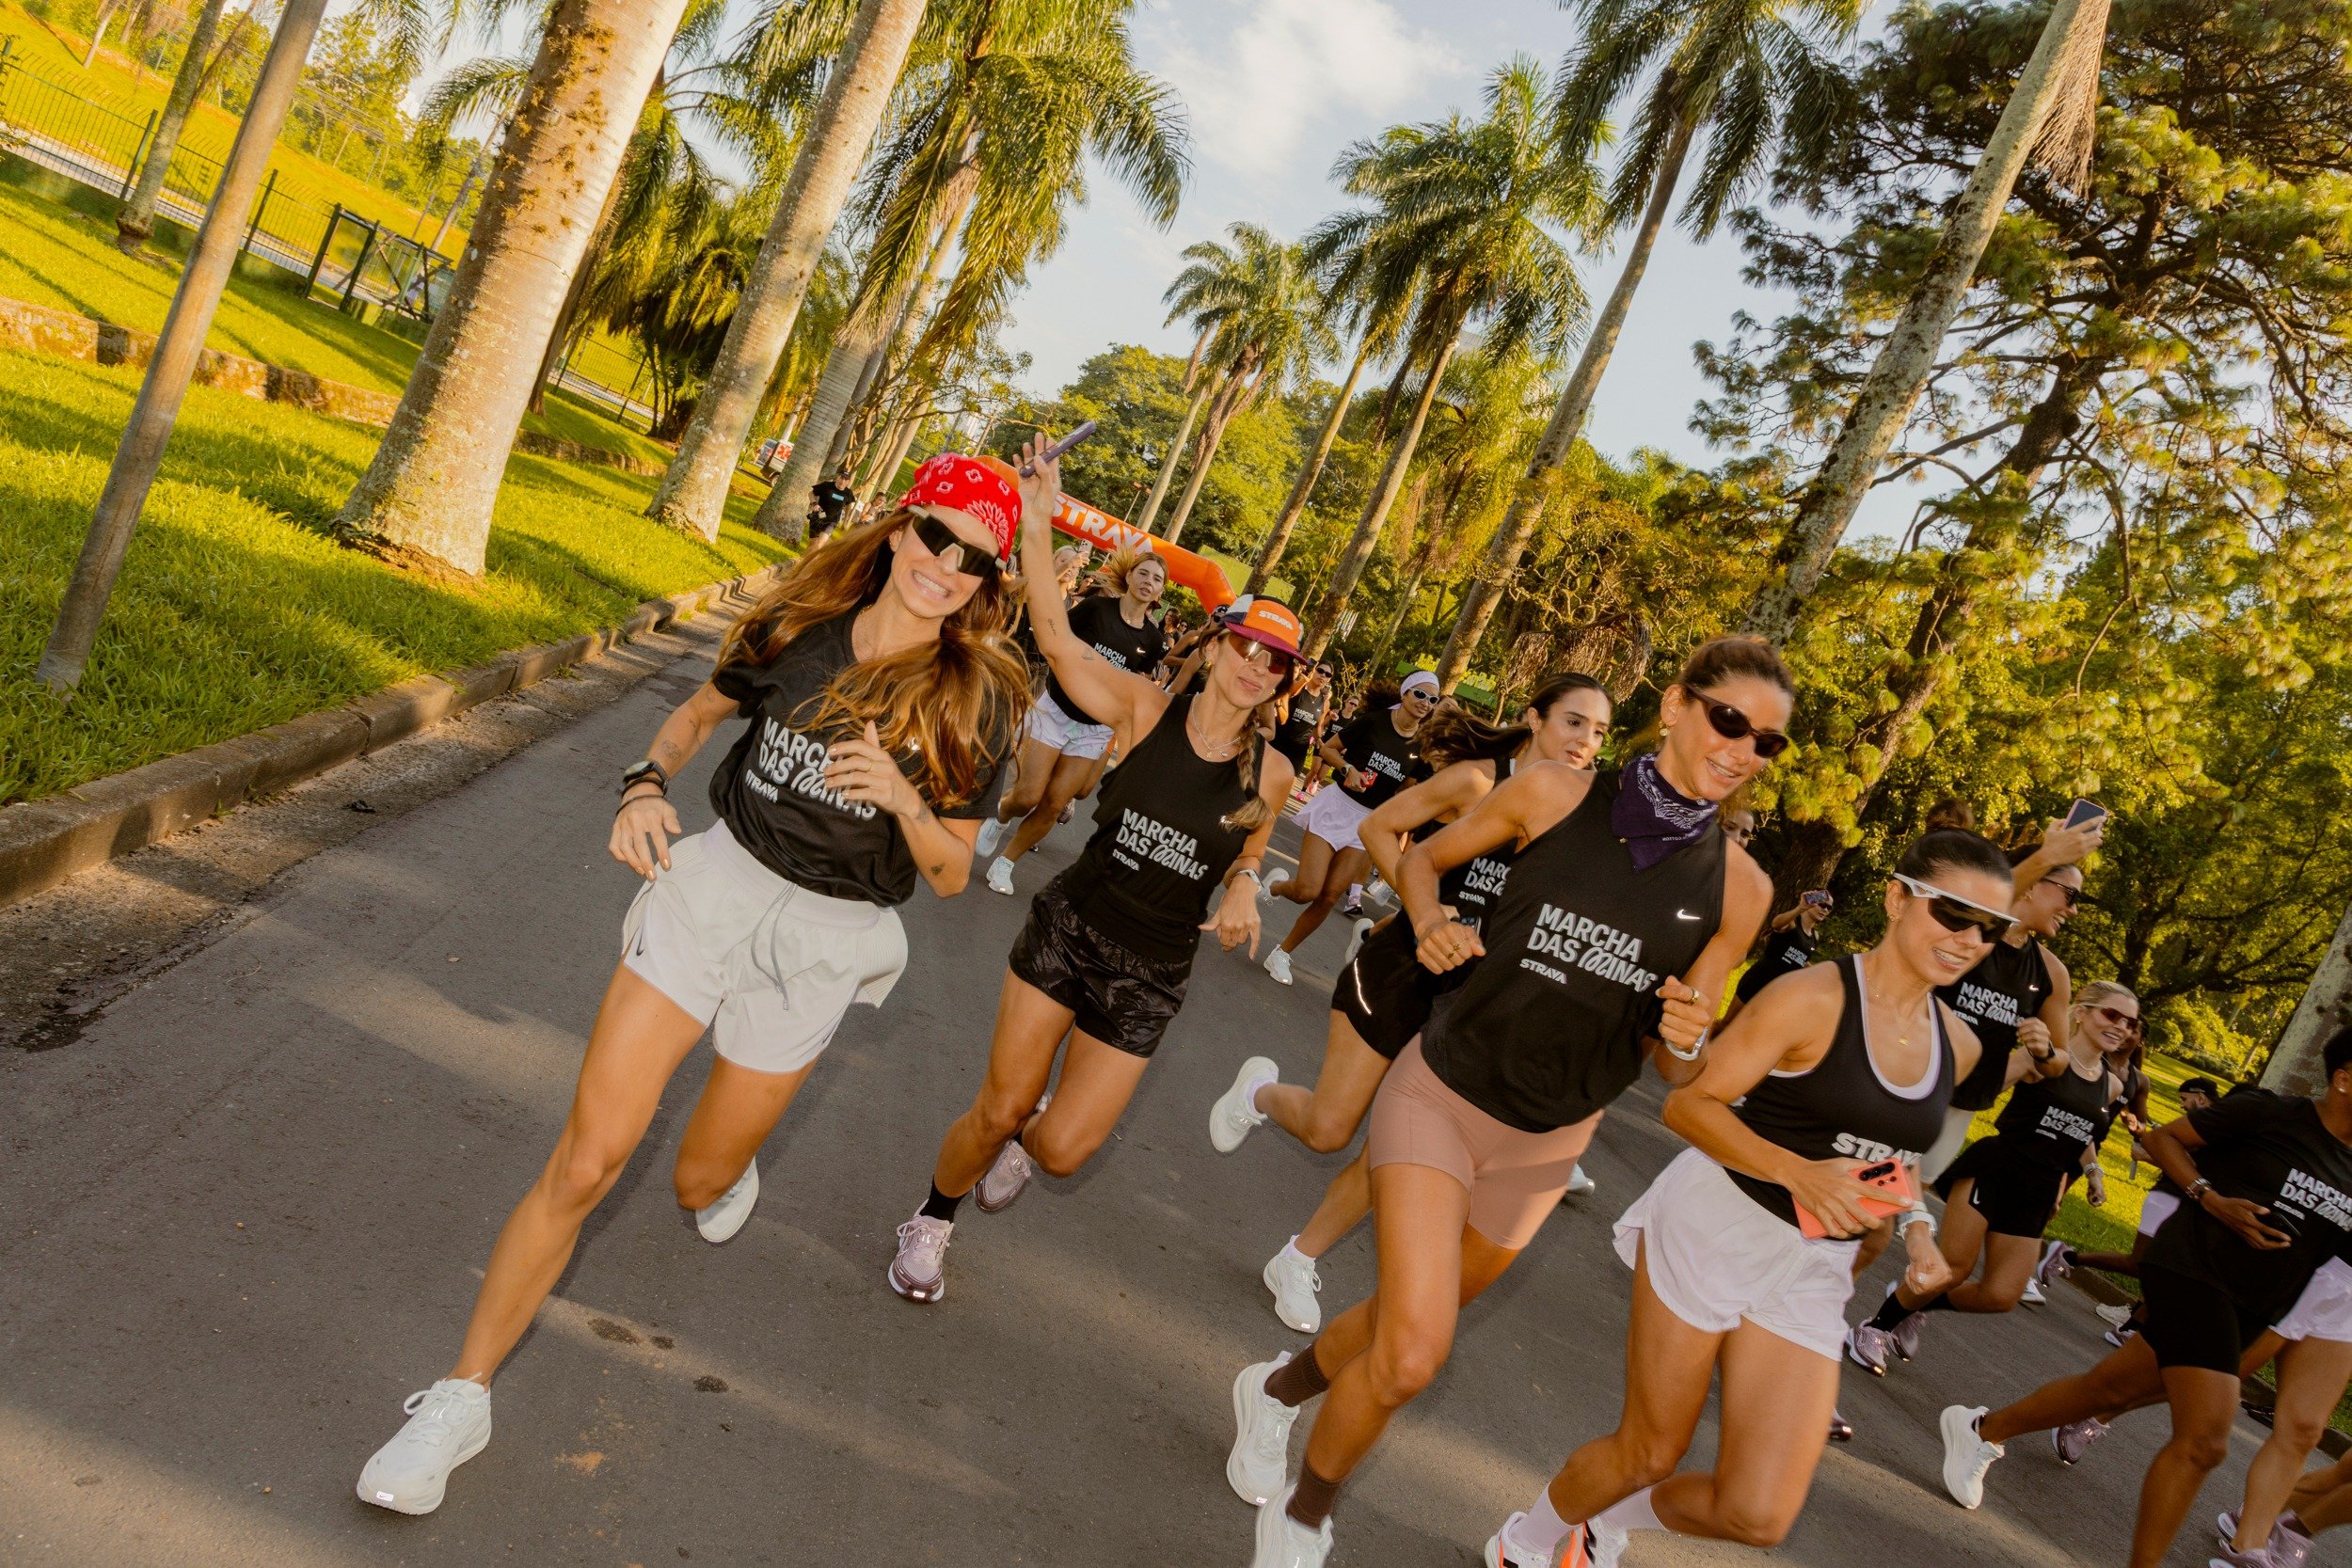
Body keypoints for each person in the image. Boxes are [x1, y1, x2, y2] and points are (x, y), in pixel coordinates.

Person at [355, 452, 1030, 1515]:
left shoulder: (974, 702)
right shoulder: (797, 627)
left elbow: (947, 873)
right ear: (901, 529)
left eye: (973, 558)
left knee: (693, 1180)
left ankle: (723, 1174)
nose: (946, 566)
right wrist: (641, 784)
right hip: (713, 885)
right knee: (588, 1157)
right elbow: (691, 720)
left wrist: (905, 797)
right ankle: (458, 1397)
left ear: (990, 581)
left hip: (825, 935)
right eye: (935, 536)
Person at [1226, 635, 1786, 1568]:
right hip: (1442, 1089)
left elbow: (1682, 1066)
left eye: (1766, 742)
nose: (1742, 748)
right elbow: (1416, 859)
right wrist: (1434, 918)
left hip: (1548, 1139)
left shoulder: (1742, 889)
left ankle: (1273, 1391)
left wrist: (1690, 1035)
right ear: (1679, 705)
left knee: (1410, 1317)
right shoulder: (1553, 793)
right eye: (1730, 719)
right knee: (1412, 1351)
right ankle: (1303, 1513)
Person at [1486, 830, 2014, 1567]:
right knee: (1649, 1448)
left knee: (1758, 1511)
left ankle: (1606, 1523)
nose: (1969, 939)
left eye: (1991, 929)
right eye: (1953, 913)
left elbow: (1895, 1158)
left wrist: (1918, 1229)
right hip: (1718, 1225)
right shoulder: (1811, 998)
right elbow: (1688, 1106)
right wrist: (1799, 1173)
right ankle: (1524, 1541)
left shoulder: (1958, 1043)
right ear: (1898, 899)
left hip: (1815, 1266)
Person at [889, 442, 1301, 1303]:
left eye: (1276, 662)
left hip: (1151, 972)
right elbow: (1052, 635)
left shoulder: (1272, 774)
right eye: (1249, 647)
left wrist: (1240, 881)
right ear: (1221, 643)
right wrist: (1038, 519)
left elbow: (1253, 843)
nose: (1257, 666)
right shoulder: (1146, 710)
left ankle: (1023, 1144)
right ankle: (931, 1218)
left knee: (1061, 1147)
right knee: (1000, 1104)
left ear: (1281, 683)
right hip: (1073, 927)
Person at [1208, 675, 1614, 1333]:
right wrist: (1425, 913)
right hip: (1400, 972)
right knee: (1328, 1129)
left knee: (1389, 1152)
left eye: (1598, 733)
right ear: (1535, 718)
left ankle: (1296, 1256)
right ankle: (1258, 1094)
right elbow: (1379, 826)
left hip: (1468, 1006)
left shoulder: (1578, 817)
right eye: (1573, 722)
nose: (1584, 742)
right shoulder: (1479, 782)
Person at [1936, 1029, 2352, 1568]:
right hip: (2193, 1269)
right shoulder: (2271, 1113)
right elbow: (2164, 1140)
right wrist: (2212, 1199)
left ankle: (1982, 1429)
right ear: (2344, 1079)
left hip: (2255, 1303)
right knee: (2206, 1439)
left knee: (2106, 1392)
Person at [1847, 982, 2138, 1374]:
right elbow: (1981, 1090)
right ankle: (1875, 1328)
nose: (2121, 1027)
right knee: (1953, 1268)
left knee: (2001, 1294)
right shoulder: (2042, 1058)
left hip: (2038, 1189)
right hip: (1998, 1168)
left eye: (2130, 1022)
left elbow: (2080, 1130)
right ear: (2082, 1012)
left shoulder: (2112, 1083)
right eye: (2111, 1015)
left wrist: (2091, 1173)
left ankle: (1915, 1303)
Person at [974, 547, 1169, 895]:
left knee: (1053, 803)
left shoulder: (1152, 640)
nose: (1148, 582)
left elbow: (1134, 689)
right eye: (1144, 573)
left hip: (1095, 729)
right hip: (1056, 710)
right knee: (1028, 795)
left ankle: (1006, 864)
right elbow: (1057, 641)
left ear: (1160, 592)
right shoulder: (1096, 609)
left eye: (1156, 579)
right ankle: (1002, 813)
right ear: (1130, 577)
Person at [1920, 842, 2090, 1181]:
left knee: (1898, 1207)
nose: (2073, 911)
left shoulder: (2052, 972)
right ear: (2033, 883)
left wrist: (2043, 1050)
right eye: (2071, 896)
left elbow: (2060, 1061)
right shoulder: (1967, 932)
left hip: (1961, 1105)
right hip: (1907, 1082)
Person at [1259, 672, 1438, 986]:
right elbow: (1327, 748)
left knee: (1328, 897)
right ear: (1406, 693)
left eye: (1432, 700)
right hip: (1337, 807)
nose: (1426, 703)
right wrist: (1347, 768)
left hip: (1368, 824)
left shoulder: (1422, 744)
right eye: (1420, 695)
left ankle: (1282, 953)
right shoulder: (1374, 722)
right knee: (1307, 890)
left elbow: (1407, 789)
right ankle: (1272, 888)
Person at [1722, 888, 1834, 1024]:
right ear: (1812, 901)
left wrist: (1823, 973)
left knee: (1746, 1031)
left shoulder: (1815, 937)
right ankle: (1701, 1045)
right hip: (1757, 981)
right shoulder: (1792, 923)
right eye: (1822, 904)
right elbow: (1776, 923)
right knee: (1726, 1024)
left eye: (1829, 907)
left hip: (1776, 992)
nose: (1825, 910)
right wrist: (1800, 908)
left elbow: (1800, 961)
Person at [806, 466, 857, 545]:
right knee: (812, 544)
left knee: (820, 543)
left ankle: (816, 556)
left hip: (832, 521)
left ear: (848, 482)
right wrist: (814, 504)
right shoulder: (827, 485)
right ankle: (807, 557)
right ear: (838, 477)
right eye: (842, 478)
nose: (843, 481)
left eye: (846, 479)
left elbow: (848, 506)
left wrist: (845, 521)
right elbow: (811, 493)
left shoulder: (848, 493)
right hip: (818, 516)